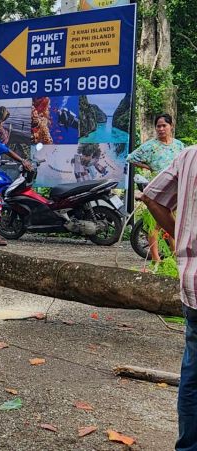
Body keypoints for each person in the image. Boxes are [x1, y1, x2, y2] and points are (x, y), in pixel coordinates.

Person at [140, 146, 197, 451]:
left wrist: (183, 233)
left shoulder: (187, 155)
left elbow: (151, 195)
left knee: (193, 375)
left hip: (194, 284)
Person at [127, 113, 185, 262]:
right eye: (158, 126)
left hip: (175, 189)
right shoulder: (151, 146)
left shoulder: (178, 145)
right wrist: (149, 166)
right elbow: (131, 158)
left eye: (164, 125)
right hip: (157, 189)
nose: (161, 129)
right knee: (154, 224)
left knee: (172, 222)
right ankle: (155, 257)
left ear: (171, 126)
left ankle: (174, 254)